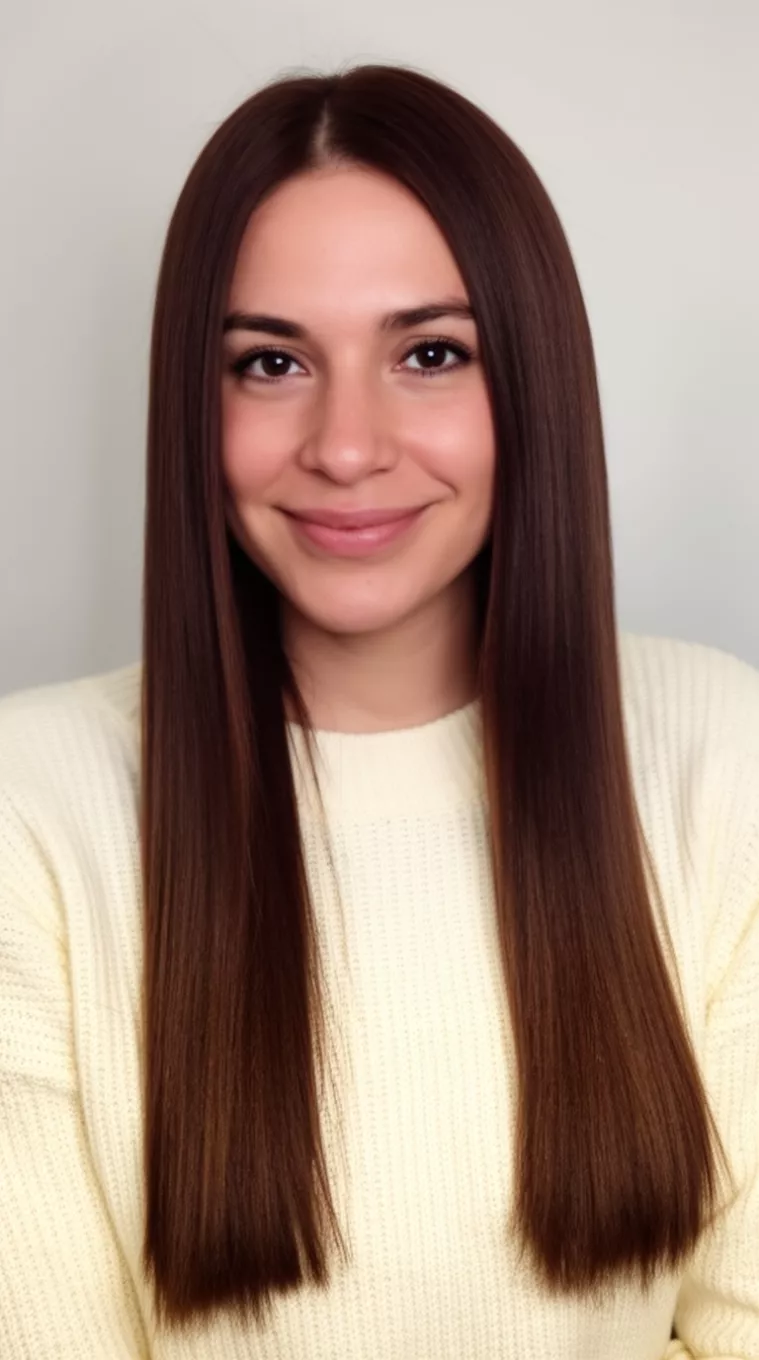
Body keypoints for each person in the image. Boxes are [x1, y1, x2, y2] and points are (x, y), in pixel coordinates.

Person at [0, 61, 757, 1360]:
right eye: (271, 362)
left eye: (428, 353)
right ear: (196, 401)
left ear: (530, 384)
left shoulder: (718, 753)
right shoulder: (30, 803)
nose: (346, 445)